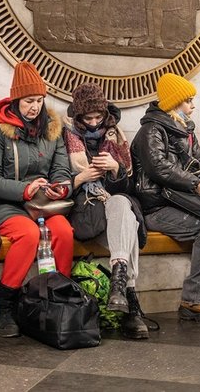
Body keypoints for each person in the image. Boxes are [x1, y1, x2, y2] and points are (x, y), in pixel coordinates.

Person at [132, 73, 200, 322]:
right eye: (188, 100)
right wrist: (196, 184)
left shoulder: (185, 130)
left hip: (184, 201)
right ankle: (195, 300)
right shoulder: (151, 131)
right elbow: (158, 168)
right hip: (157, 207)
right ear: (173, 103)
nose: (193, 105)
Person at [0, 61, 73, 337]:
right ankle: (5, 306)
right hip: (10, 204)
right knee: (28, 235)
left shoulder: (53, 129)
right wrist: (24, 189)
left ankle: (58, 299)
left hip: (44, 203)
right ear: (16, 100)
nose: (34, 107)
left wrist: (61, 187)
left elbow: (61, 169)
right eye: (28, 101)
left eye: (39, 100)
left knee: (64, 232)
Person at [64, 82, 149, 339]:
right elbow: (55, 179)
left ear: (105, 114)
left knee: (123, 204)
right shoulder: (65, 136)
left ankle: (119, 284)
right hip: (85, 210)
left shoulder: (115, 135)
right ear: (78, 116)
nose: (93, 123)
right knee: (130, 225)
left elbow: (128, 187)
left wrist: (115, 169)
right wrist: (80, 177)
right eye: (87, 118)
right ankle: (130, 301)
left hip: (113, 206)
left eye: (98, 117)